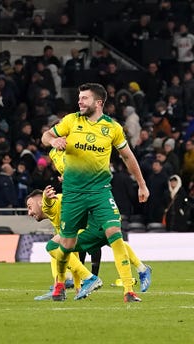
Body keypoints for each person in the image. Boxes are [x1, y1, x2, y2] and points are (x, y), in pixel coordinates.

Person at [41, 83, 150, 302]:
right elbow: (45, 136)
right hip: (73, 194)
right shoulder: (71, 121)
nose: (79, 102)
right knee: (66, 245)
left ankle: (129, 290)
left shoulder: (112, 127)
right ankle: (60, 284)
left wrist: (142, 184)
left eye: (84, 98)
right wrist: (54, 140)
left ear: (98, 103)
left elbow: (128, 156)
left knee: (115, 234)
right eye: (79, 98)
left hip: (100, 192)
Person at [26, 186, 152, 299]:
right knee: (113, 242)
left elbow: (54, 201)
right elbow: (72, 252)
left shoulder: (57, 202)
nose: (29, 212)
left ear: (40, 202)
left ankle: (86, 280)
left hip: (96, 221)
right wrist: (77, 287)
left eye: (30, 207)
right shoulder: (56, 219)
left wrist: (48, 199)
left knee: (54, 246)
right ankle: (140, 269)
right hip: (96, 222)